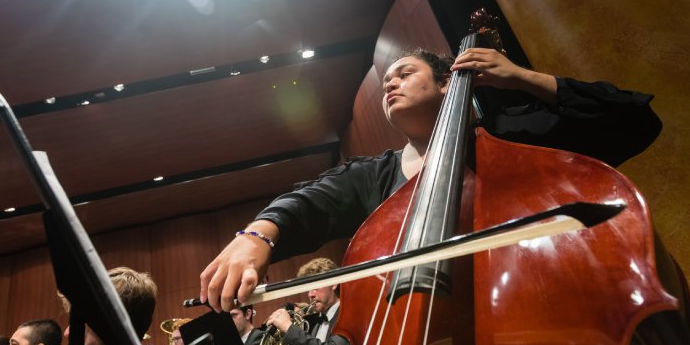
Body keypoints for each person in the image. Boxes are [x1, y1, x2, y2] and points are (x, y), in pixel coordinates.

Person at [199, 46, 661, 311]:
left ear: (447, 83)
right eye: (387, 83)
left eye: (404, 73)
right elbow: (309, 202)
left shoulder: (514, 138)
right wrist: (256, 236)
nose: (390, 85)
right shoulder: (373, 175)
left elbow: (633, 121)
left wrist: (523, 78)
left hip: (537, 312)